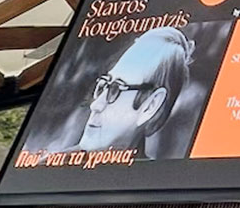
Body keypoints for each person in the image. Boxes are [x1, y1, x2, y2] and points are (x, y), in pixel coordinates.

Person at [74, 26, 194, 156]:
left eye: (116, 89)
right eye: (104, 85)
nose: (95, 105)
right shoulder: (54, 160)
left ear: (150, 106)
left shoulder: (159, 175)